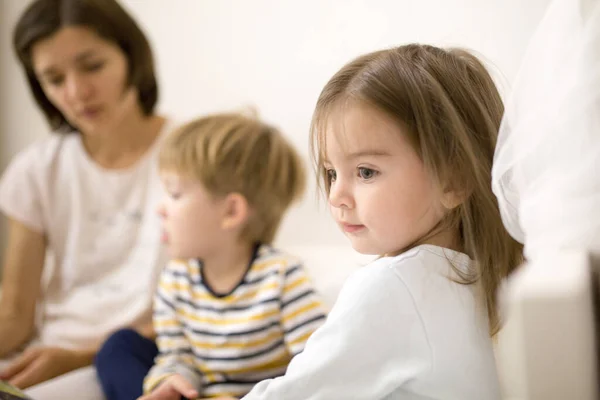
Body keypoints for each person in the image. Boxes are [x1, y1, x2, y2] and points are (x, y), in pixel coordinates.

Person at [238, 44, 524, 400]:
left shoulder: (393, 286)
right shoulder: (481, 273)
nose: (335, 195)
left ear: (454, 180)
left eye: (365, 171)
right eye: (330, 173)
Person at [0, 0, 172, 398]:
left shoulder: (191, 157)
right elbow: (15, 316)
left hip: (134, 357)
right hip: (43, 353)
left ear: (131, 57)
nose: (77, 92)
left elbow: (201, 302)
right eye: (54, 79)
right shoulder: (35, 170)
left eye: (92, 66)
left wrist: (79, 357)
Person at [96, 113, 328, 400]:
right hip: (198, 394)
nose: (161, 209)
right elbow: (177, 356)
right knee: (119, 347)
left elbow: (318, 365)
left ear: (231, 212)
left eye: (175, 194)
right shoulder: (176, 278)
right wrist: (170, 382)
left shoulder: (282, 277)